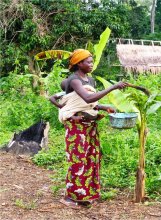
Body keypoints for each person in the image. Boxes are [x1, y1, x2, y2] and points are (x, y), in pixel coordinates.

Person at [52, 49, 128, 208]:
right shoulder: (74, 80)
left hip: (90, 126)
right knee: (77, 160)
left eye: (92, 61)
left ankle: (85, 194)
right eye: (88, 62)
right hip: (76, 126)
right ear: (79, 63)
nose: (91, 64)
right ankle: (70, 197)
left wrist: (103, 107)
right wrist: (113, 87)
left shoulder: (91, 81)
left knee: (91, 159)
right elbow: (87, 97)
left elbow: (90, 103)